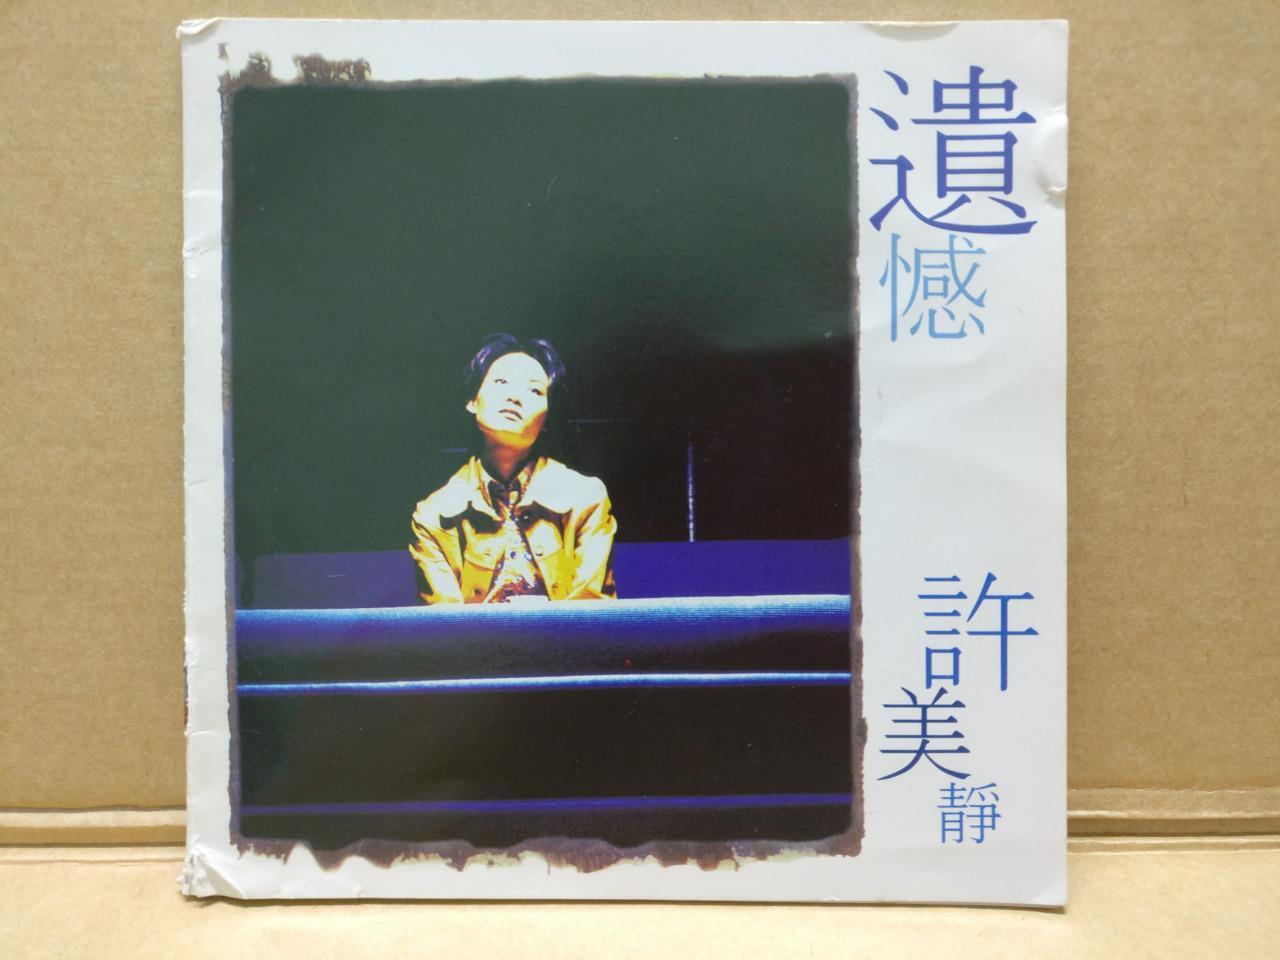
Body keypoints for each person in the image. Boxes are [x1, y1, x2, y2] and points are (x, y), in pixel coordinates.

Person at [409, 333, 618, 604]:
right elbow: (445, 624)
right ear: (472, 401)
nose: (514, 397)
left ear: (547, 418)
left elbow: (591, 613)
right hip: (475, 636)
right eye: (501, 382)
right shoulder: (434, 515)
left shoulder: (586, 498)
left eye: (534, 390)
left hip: (562, 634)